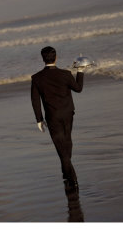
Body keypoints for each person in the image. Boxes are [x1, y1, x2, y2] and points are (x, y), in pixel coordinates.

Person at [31, 46, 84, 192]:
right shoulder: (66, 74)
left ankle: (71, 179)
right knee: (67, 143)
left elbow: (35, 100)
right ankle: (67, 175)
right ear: (56, 57)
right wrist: (80, 71)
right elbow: (79, 88)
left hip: (52, 116)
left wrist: (39, 119)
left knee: (62, 149)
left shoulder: (37, 78)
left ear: (43, 59)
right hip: (68, 114)